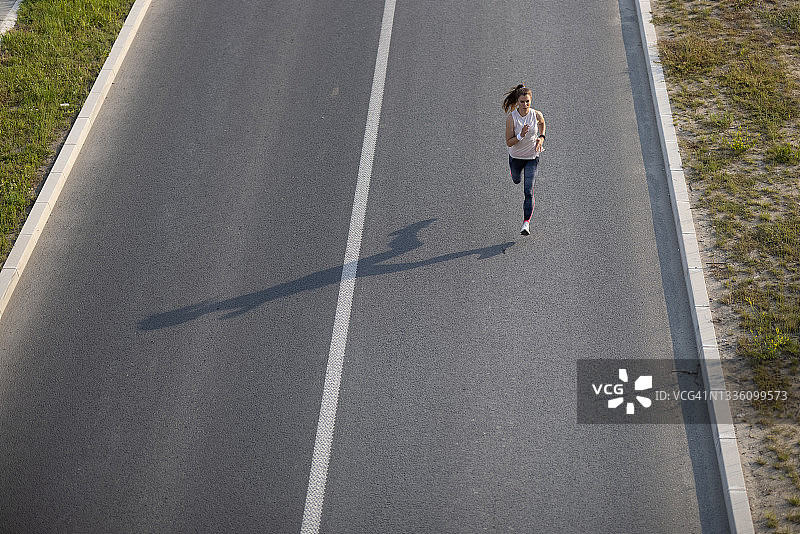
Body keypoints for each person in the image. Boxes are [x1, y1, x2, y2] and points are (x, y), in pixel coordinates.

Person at [503, 84, 546, 235]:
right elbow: (509, 142)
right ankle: (514, 174)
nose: (525, 105)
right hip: (516, 157)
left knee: (528, 191)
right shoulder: (512, 119)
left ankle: (526, 223)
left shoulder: (536, 114)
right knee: (516, 179)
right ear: (517, 102)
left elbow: (542, 124)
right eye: (522, 102)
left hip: (532, 157)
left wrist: (541, 138)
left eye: (527, 101)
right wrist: (521, 135)